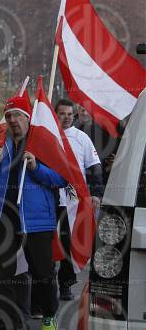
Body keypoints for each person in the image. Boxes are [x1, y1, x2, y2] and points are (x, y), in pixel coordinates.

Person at [0, 93, 67, 330]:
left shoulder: (43, 142)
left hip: (36, 220)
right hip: (2, 219)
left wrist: (36, 167)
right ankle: (10, 324)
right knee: (1, 276)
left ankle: (48, 314)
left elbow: (62, 178)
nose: (12, 120)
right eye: (8, 115)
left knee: (43, 274)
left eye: (17, 115)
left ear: (27, 118)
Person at [54, 99, 103, 300]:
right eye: (61, 114)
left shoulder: (82, 138)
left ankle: (65, 284)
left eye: (69, 114)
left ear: (74, 116)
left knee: (67, 244)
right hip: (48, 197)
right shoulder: (47, 134)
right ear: (55, 114)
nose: (66, 117)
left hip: (73, 199)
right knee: (46, 243)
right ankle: (42, 291)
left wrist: (96, 193)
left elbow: (95, 167)